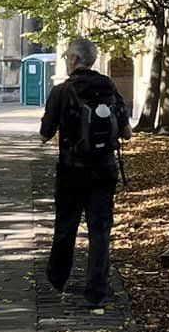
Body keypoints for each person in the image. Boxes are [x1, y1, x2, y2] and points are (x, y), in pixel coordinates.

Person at [40, 36, 128, 307]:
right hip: (105, 170)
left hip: (72, 171)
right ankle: (96, 291)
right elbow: (126, 132)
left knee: (66, 226)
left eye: (67, 57)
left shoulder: (62, 91)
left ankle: (57, 278)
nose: (66, 61)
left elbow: (45, 133)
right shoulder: (109, 87)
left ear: (76, 60)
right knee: (100, 230)